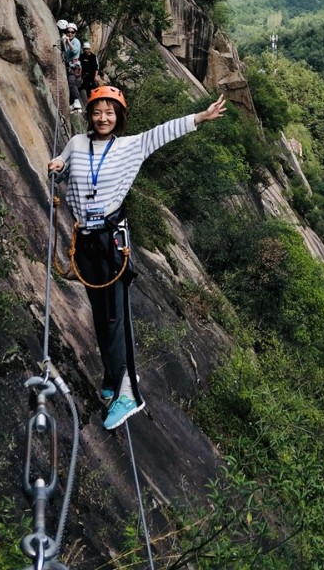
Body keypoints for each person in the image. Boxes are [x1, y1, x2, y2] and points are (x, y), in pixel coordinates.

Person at [48, 84, 227, 430]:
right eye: (98, 112)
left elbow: (163, 132)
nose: (103, 118)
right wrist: (59, 167)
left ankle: (130, 393)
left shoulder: (131, 146)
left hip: (112, 242)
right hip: (84, 240)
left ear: (119, 118)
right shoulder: (76, 143)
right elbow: (71, 179)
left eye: (110, 113)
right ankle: (113, 377)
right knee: (100, 316)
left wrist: (200, 118)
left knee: (116, 317)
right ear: (89, 114)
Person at [61, 22, 82, 111]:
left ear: (75, 33)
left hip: (75, 66)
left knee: (72, 82)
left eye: (72, 32)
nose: (70, 34)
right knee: (70, 83)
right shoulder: (66, 41)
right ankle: (74, 104)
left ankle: (77, 102)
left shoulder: (76, 41)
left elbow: (74, 51)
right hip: (69, 66)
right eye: (68, 32)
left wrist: (68, 41)